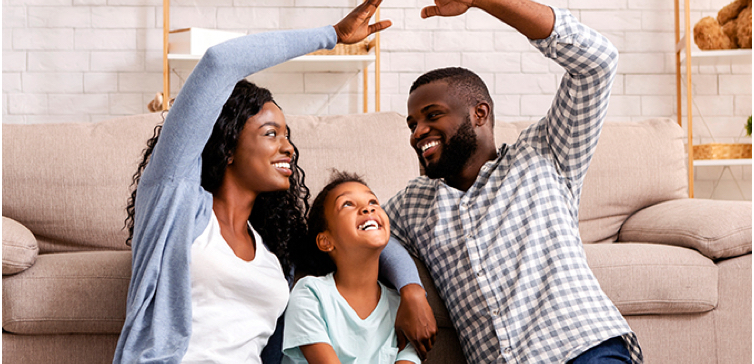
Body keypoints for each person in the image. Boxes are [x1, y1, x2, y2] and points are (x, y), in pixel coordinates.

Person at [112, 2, 437, 363]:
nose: (288, 147)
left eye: (287, 135)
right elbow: (219, 63)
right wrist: (332, 36)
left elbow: (366, 235)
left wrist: (411, 291)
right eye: (271, 134)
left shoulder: (275, 248)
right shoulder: (175, 202)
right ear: (227, 145)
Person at [379, 0, 644, 363]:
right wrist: (410, 289)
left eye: (432, 115)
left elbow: (598, 62)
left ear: (480, 113)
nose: (418, 132)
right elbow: (361, 230)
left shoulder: (544, 152)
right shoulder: (414, 203)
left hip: (582, 350)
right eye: (412, 124)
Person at [282, 172, 421, 364]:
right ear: (326, 241)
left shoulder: (402, 310)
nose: (367, 208)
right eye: (347, 204)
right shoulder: (310, 294)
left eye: (373, 202)